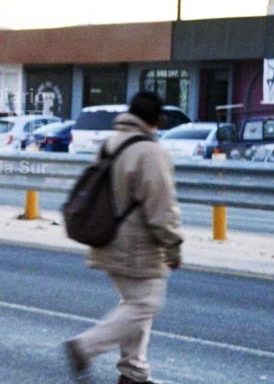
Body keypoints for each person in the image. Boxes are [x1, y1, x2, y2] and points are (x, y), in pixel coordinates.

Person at [65, 91, 184, 384]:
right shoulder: (150, 152)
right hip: (138, 245)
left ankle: (133, 373)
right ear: (158, 119)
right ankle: (84, 347)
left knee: (135, 304)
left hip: (109, 237)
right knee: (145, 305)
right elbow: (161, 207)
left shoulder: (112, 142)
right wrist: (173, 245)